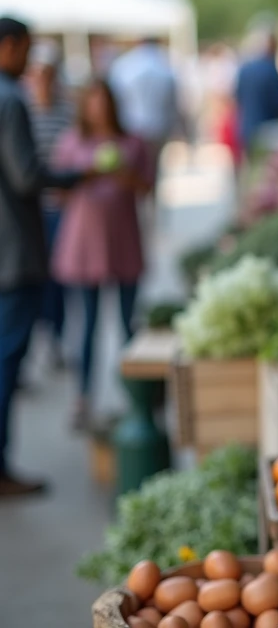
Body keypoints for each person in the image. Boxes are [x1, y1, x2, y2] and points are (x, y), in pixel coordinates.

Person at [0, 17, 81, 497]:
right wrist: (75, 176)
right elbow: (27, 175)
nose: (30, 61)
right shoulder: (10, 99)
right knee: (7, 360)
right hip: (14, 251)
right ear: (9, 46)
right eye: (26, 50)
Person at [52, 81, 153, 430]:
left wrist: (124, 176)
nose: (99, 109)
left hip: (123, 242)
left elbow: (148, 188)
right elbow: (56, 194)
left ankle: (138, 399)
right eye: (92, 103)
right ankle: (83, 398)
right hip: (84, 246)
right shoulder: (71, 143)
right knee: (88, 327)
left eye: (104, 102)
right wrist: (86, 177)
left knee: (130, 327)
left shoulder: (132, 143)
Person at [22, 41, 74, 370]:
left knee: (58, 280)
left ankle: (55, 337)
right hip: (29, 210)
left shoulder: (66, 112)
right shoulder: (20, 107)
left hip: (58, 207)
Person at [107, 36, 179, 161]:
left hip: (130, 125)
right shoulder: (165, 64)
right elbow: (172, 100)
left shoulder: (124, 64)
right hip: (158, 127)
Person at [234, 31, 278, 154]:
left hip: (246, 127)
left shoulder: (245, 69)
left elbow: (238, 97)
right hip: (266, 131)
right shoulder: (270, 70)